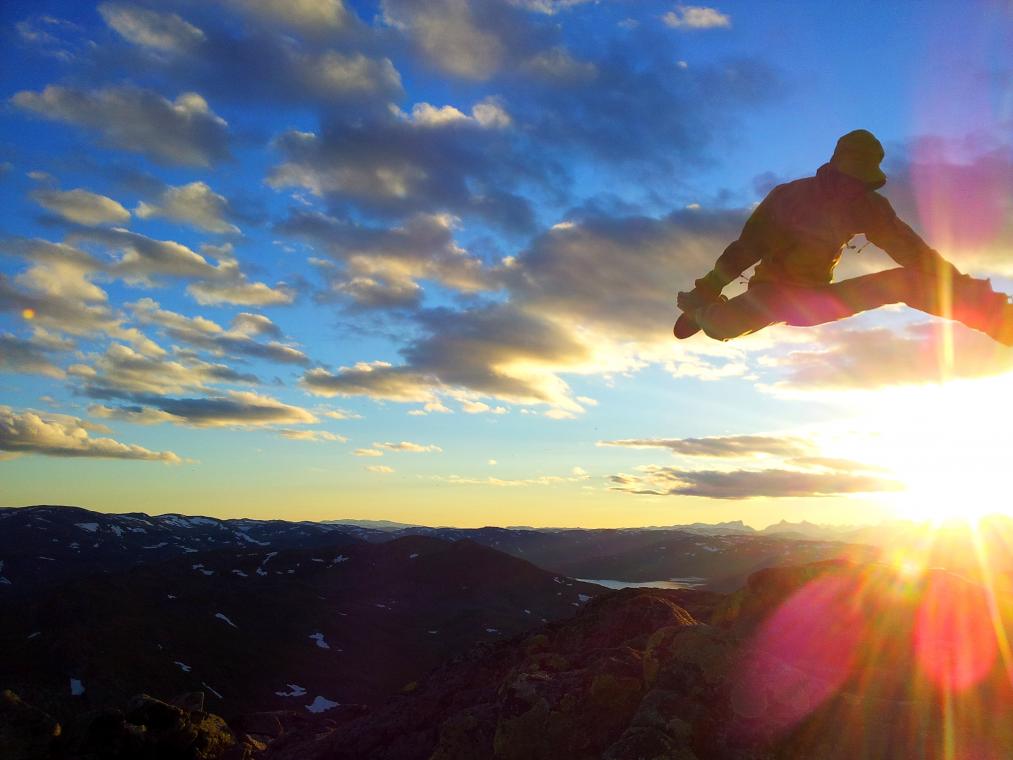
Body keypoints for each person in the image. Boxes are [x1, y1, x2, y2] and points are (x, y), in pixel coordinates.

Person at [674, 129, 1013, 345]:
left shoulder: (868, 206)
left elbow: (913, 252)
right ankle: (700, 310)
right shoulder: (789, 197)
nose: (853, 187)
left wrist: (965, 288)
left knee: (905, 281)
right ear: (835, 166)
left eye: (860, 181)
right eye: (849, 177)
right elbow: (747, 248)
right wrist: (707, 288)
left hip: (817, 297)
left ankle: (998, 320)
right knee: (724, 326)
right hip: (772, 292)